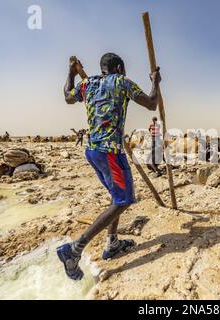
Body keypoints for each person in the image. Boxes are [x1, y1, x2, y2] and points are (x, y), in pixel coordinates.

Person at [59, 52, 161, 280]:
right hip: (110, 153)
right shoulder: (122, 81)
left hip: (93, 151)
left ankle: (112, 243)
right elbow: (152, 104)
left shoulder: (88, 84)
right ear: (118, 67)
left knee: (116, 197)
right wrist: (155, 80)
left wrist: (71, 72)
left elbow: (67, 96)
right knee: (124, 199)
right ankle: (74, 249)